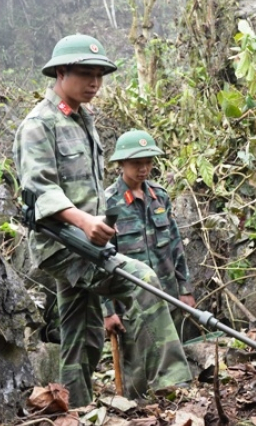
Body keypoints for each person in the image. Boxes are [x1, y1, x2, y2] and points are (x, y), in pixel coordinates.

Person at [13, 34, 192, 407]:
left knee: (82, 334)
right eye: (86, 74)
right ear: (61, 72)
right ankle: (174, 386)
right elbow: (39, 186)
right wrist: (82, 221)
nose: (94, 83)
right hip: (64, 243)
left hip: (87, 244)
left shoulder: (82, 119)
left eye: (99, 75)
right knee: (142, 279)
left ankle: (72, 409)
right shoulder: (38, 125)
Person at [102, 130, 197, 393]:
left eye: (148, 162)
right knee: (136, 369)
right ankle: (135, 411)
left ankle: (175, 405)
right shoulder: (108, 203)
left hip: (168, 295)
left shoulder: (160, 196)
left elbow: (175, 244)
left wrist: (185, 287)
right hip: (132, 301)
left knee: (173, 360)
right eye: (136, 163)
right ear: (121, 163)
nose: (143, 169)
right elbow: (100, 259)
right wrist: (108, 311)